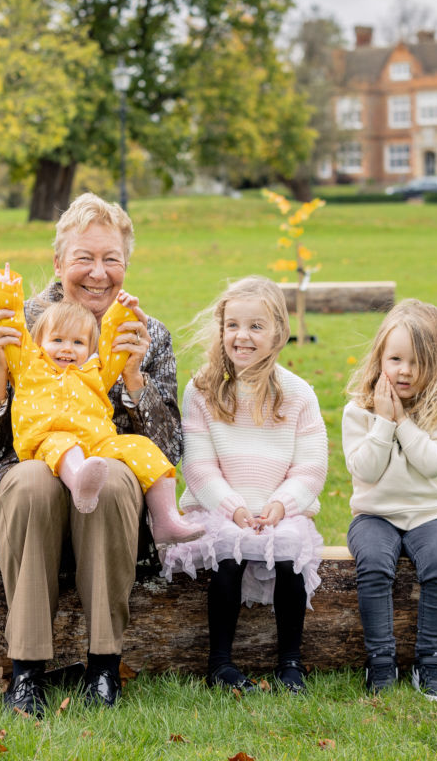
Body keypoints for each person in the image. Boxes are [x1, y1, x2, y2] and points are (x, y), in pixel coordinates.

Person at [0, 192, 182, 715]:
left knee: (106, 476)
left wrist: (134, 378)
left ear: (126, 265)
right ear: (59, 261)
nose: (97, 273)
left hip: (108, 492)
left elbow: (173, 448)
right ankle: (26, 674)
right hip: (29, 482)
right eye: (84, 258)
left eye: (111, 259)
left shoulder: (146, 333)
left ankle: (104, 667)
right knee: (37, 481)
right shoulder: (18, 322)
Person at [160, 276, 328, 695]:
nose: (243, 336)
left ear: (278, 333)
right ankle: (220, 663)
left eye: (256, 326)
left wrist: (280, 505)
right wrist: (233, 507)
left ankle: (290, 661)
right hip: (217, 509)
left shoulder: (298, 394)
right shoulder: (203, 390)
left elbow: (311, 466)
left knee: (289, 552)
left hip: (277, 510)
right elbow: (198, 466)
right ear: (222, 330)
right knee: (228, 552)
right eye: (233, 325)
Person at [0, 262, 201, 542]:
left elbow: (113, 342)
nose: (66, 348)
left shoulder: (95, 373)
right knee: (63, 444)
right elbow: (12, 324)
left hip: (97, 444)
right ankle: (80, 484)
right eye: (57, 340)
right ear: (38, 343)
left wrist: (123, 308)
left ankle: (166, 519)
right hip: (46, 439)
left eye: (77, 343)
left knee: (142, 448)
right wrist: (5, 290)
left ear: (89, 349)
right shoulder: (29, 366)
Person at [343, 299, 437, 701]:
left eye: (416, 362)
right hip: (375, 515)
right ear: (380, 359)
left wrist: (403, 422)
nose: (405, 371)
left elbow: (432, 463)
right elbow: (366, 471)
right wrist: (381, 421)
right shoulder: (357, 412)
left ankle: (430, 662)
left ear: (434, 367)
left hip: (429, 514)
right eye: (395, 359)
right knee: (374, 566)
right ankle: (381, 662)